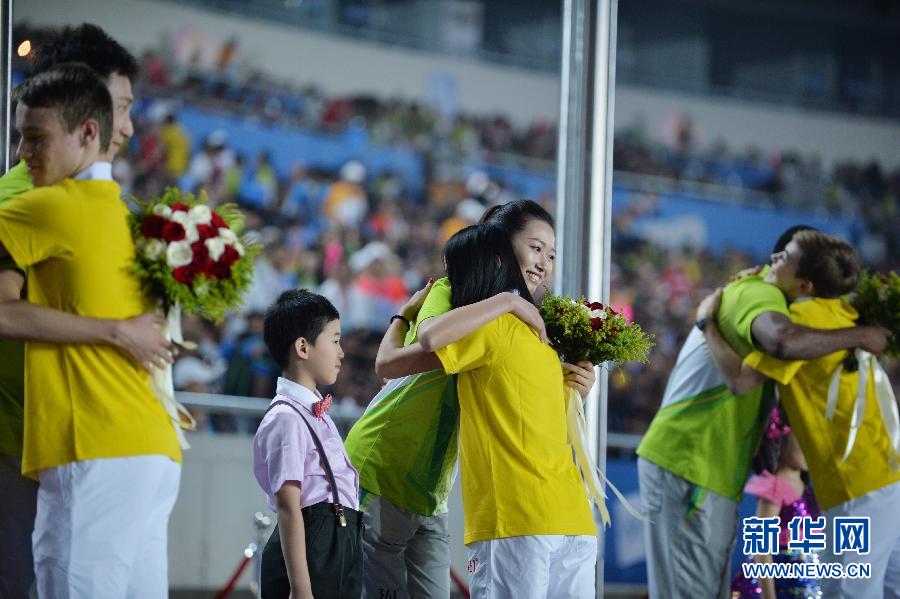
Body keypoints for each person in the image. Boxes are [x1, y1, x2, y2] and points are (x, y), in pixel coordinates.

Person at [345, 200, 595, 598]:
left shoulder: (528, 328)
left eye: (551, 253)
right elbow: (395, 360)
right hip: (386, 464)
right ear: (499, 249)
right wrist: (403, 317)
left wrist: (573, 386)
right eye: (534, 248)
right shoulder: (452, 293)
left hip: (433, 484)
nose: (544, 263)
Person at [0, 24, 169, 598]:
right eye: (120, 107)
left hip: (89, 441)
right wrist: (116, 332)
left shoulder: (111, 210)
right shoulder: (32, 200)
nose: (127, 127)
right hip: (69, 442)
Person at [636, 225, 889, 598]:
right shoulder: (760, 293)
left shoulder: (783, 306)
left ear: (805, 286)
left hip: (708, 468)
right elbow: (772, 351)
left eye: (785, 255)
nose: (771, 258)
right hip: (691, 461)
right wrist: (862, 336)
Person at [253, 289, 362, 599]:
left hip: (336, 543)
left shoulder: (314, 411)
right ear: (303, 347)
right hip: (312, 550)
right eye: (335, 340)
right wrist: (301, 591)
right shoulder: (287, 417)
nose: (341, 353)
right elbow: (289, 505)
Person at [730, 407, 821, 599]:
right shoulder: (774, 488)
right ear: (780, 440)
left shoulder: (808, 490)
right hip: (776, 589)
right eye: (803, 440)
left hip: (804, 586)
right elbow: (760, 550)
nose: (810, 447)